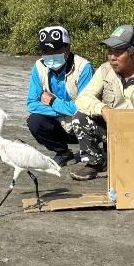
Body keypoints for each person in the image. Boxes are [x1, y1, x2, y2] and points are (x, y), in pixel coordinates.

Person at [69, 24, 134, 180]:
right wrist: (103, 109)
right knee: (80, 117)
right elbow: (83, 98)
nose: (112, 57)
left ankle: (125, 161)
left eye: (118, 52)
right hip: (113, 132)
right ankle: (94, 163)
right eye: (109, 52)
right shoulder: (104, 70)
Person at [25, 25, 94, 166]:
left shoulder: (83, 67)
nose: (50, 55)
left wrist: (52, 102)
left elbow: (83, 106)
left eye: (55, 50)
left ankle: (93, 151)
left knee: (84, 115)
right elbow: (31, 104)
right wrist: (66, 109)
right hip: (60, 123)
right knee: (34, 121)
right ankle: (63, 152)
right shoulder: (38, 67)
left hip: (81, 122)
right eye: (45, 51)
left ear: (67, 49)